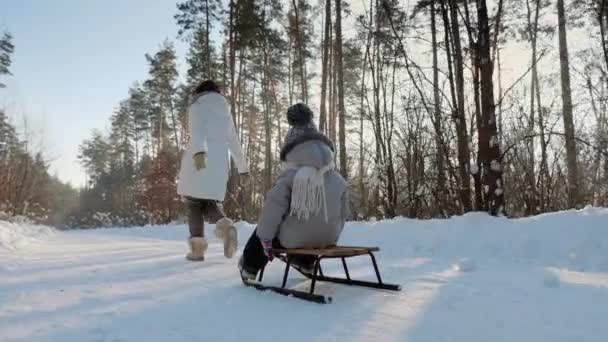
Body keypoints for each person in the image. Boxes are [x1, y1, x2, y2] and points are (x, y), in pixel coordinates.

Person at [238, 103, 350, 281]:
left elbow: (271, 212)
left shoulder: (290, 176)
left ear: (291, 149)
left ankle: (249, 266)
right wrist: (332, 234)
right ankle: (305, 262)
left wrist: (265, 239)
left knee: (264, 229)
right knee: (306, 227)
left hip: (294, 239)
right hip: (328, 237)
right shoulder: (338, 179)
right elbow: (344, 214)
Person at [177, 80, 248, 261]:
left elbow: (197, 131)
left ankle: (197, 250)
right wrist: (243, 168)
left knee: (193, 203)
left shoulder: (197, 106)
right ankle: (225, 228)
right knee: (209, 202)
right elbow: (233, 141)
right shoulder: (225, 110)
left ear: (199, 91)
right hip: (220, 162)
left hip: (200, 158)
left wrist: (200, 151)